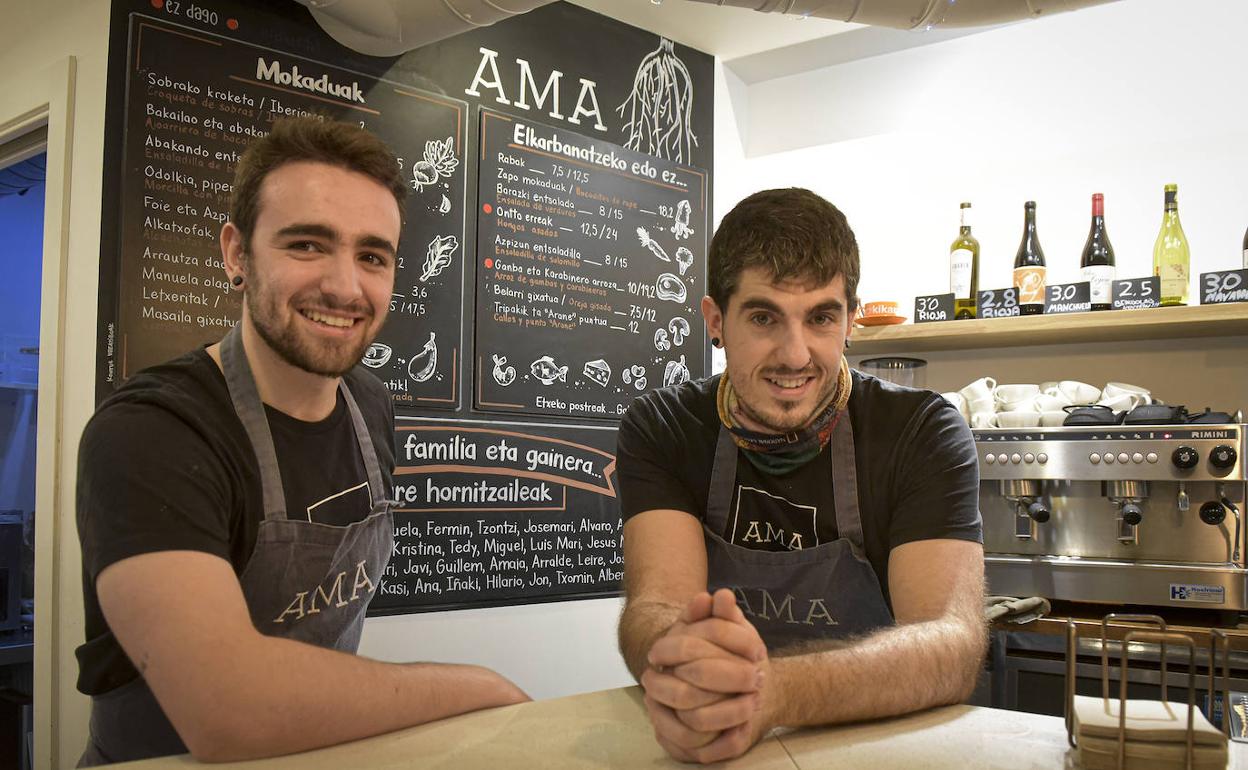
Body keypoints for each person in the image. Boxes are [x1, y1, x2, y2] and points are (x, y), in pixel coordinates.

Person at [74, 117, 528, 766]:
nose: (346, 286)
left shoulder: (370, 405)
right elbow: (225, 708)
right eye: (308, 245)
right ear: (237, 253)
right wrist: (481, 687)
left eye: (372, 256)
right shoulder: (150, 433)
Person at [615, 188, 986, 764]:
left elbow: (951, 645)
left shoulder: (921, 433)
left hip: (881, 746)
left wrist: (770, 693)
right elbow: (653, 606)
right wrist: (683, 663)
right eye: (764, 317)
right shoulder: (663, 428)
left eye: (820, 317)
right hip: (718, 742)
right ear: (716, 320)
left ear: (850, 320)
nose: (795, 354)